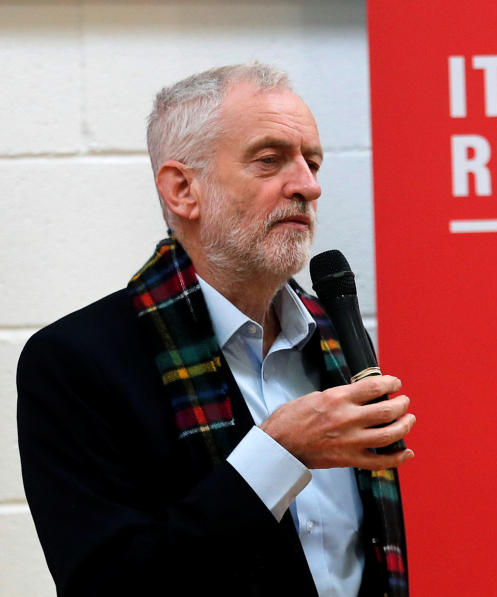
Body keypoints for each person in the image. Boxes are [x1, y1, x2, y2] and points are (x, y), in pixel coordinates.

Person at [16, 63, 415, 597]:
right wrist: (278, 454)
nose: (308, 186)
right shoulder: (75, 363)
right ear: (183, 189)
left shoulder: (336, 337)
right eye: (270, 160)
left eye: (312, 162)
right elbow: (106, 584)